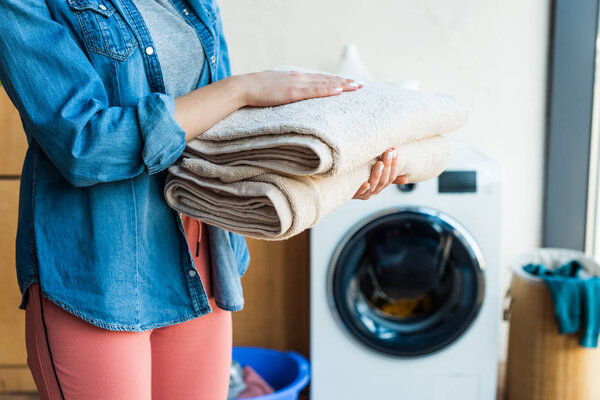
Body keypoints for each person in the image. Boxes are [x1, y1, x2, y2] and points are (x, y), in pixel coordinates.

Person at [0, 0, 407, 398]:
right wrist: (241, 89)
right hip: (100, 275)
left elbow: (225, 135)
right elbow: (85, 145)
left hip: (201, 263)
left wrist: (337, 173)